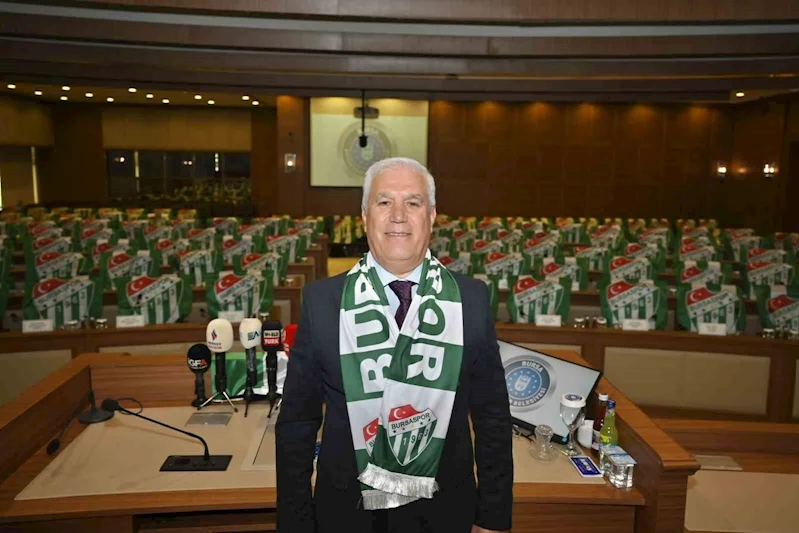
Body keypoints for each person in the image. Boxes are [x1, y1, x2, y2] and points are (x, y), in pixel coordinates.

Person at [276, 157, 513, 533]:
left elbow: (492, 418)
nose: (398, 215)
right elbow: (297, 423)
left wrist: (493, 517)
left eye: (413, 203)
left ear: (432, 217)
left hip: (445, 511)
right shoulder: (322, 302)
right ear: (364, 217)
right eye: (384, 202)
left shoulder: (470, 300)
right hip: (347, 514)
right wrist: (295, 523)